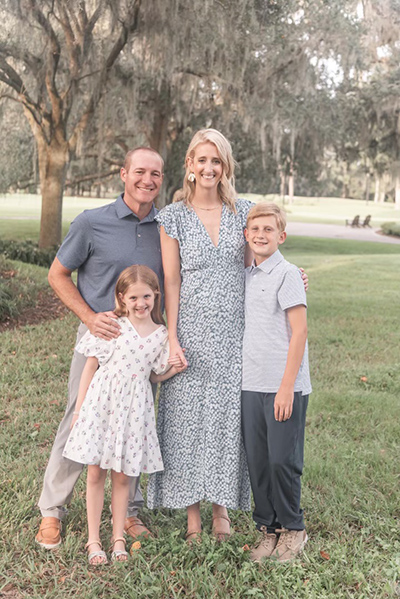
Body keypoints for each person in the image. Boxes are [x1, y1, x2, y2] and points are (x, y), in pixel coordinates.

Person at [36, 147, 165, 549]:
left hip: (145, 346)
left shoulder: (170, 226)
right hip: (100, 342)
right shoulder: (93, 223)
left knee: (135, 422)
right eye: (140, 172)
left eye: (156, 174)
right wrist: (90, 317)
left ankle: (129, 511)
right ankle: (52, 510)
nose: (147, 180)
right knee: (80, 417)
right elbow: (58, 274)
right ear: (123, 175)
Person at [147, 129, 255, 542]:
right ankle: (192, 513)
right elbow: (170, 281)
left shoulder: (243, 212)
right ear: (189, 165)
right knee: (185, 420)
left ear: (225, 167)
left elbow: (254, 269)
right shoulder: (172, 216)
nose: (209, 168)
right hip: (189, 328)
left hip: (234, 331)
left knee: (227, 416)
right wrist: (172, 338)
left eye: (217, 161)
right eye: (202, 160)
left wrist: (291, 275)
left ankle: (221, 509)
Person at [62, 265, 185, 565]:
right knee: (95, 473)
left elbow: (153, 376)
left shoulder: (160, 335)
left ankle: (118, 537)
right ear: (121, 298)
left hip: (134, 410)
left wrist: (172, 370)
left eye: (146, 296)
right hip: (102, 405)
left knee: (122, 477)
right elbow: (90, 366)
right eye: (133, 298)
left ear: (156, 295)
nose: (141, 303)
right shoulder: (112, 324)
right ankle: (93, 540)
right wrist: (79, 410)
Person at [241, 202, 312, 563]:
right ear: (246, 235)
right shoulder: (244, 274)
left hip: (285, 385)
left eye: (269, 230)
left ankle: (293, 528)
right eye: (255, 230)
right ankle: (268, 530)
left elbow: (299, 333)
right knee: (259, 460)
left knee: (283, 460)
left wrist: (287, 386)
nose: (261, 235)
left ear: (281, 236)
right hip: (250, 383)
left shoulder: (287, 274)